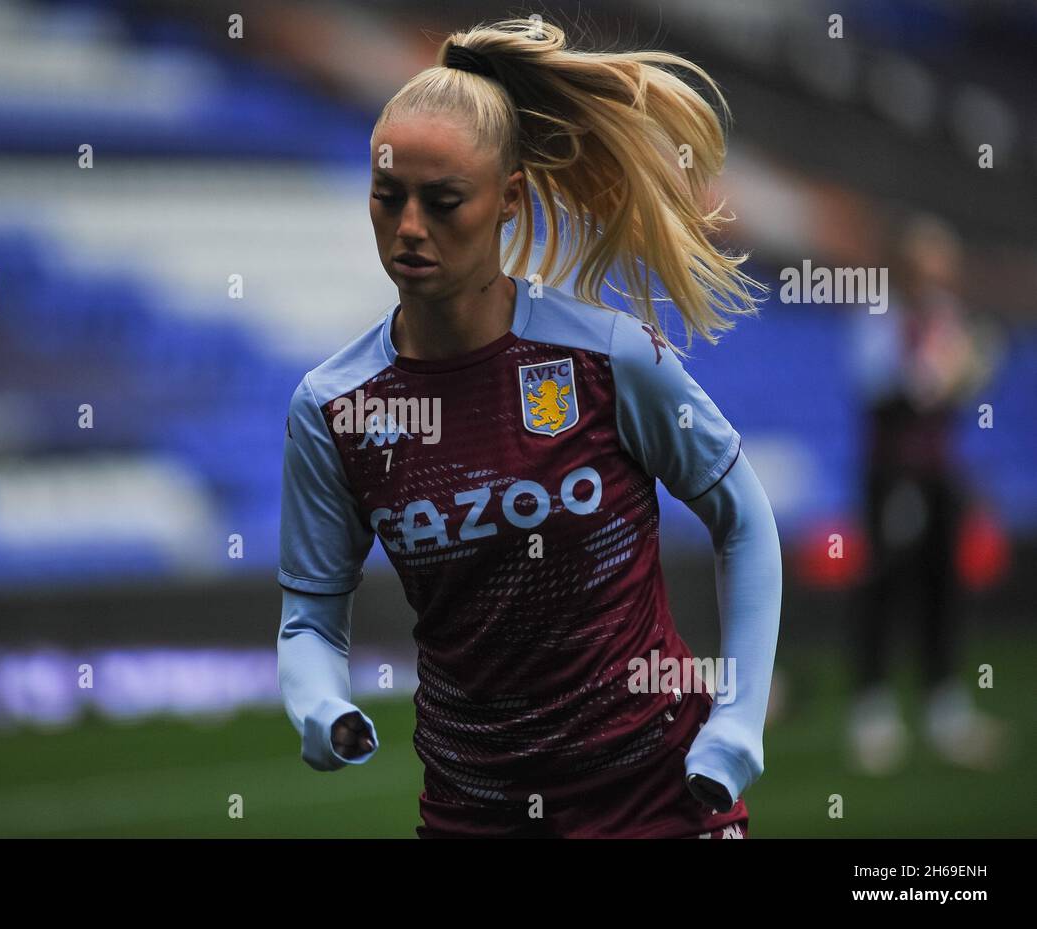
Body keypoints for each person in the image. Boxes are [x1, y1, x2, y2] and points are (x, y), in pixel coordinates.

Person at [276, 18, 781, 838]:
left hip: (656, 803)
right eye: (387, 195)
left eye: (443, 203)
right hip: (474, 813)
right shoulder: (336, 406)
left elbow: (744, 518)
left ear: (509, 198)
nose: (408, 227)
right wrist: (320, 703)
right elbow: (309, 613)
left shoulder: (608, 358)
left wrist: (737, 723)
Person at [846, 213, 1005, 775]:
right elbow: (885, 390)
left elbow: (954, 388)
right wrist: (939, 373)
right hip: (892, 474)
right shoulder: (879, 316)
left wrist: (965, 372)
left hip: (940, 474)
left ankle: (945, 707)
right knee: (885, 585)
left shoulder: (945, 316)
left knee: (943, 585)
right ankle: (873, 708)